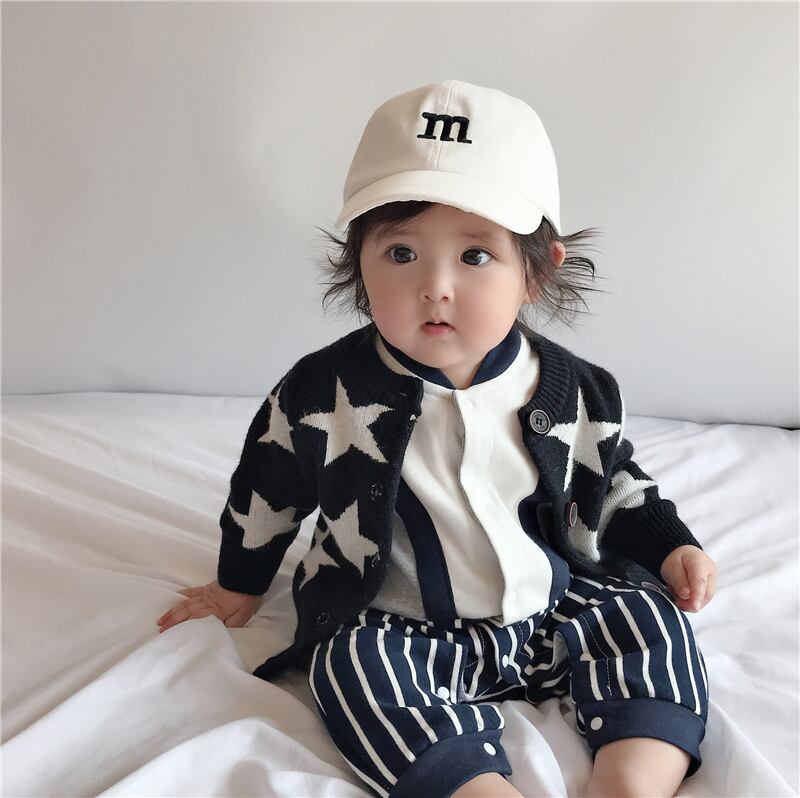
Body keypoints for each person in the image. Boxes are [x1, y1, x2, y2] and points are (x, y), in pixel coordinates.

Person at [156, 79, 718, 798]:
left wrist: (671, 545)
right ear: (358, 266)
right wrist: (239, 582)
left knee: (647, 619)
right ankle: (473, 785)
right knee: (348, 670)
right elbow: (269, 485)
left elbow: (611, 481)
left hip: (549, 608)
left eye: (475, 256)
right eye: (401, 254)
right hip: (400, 626)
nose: (436, 285)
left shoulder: (575, 388)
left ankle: (633, 778)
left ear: (536, 274)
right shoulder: (323, 392)